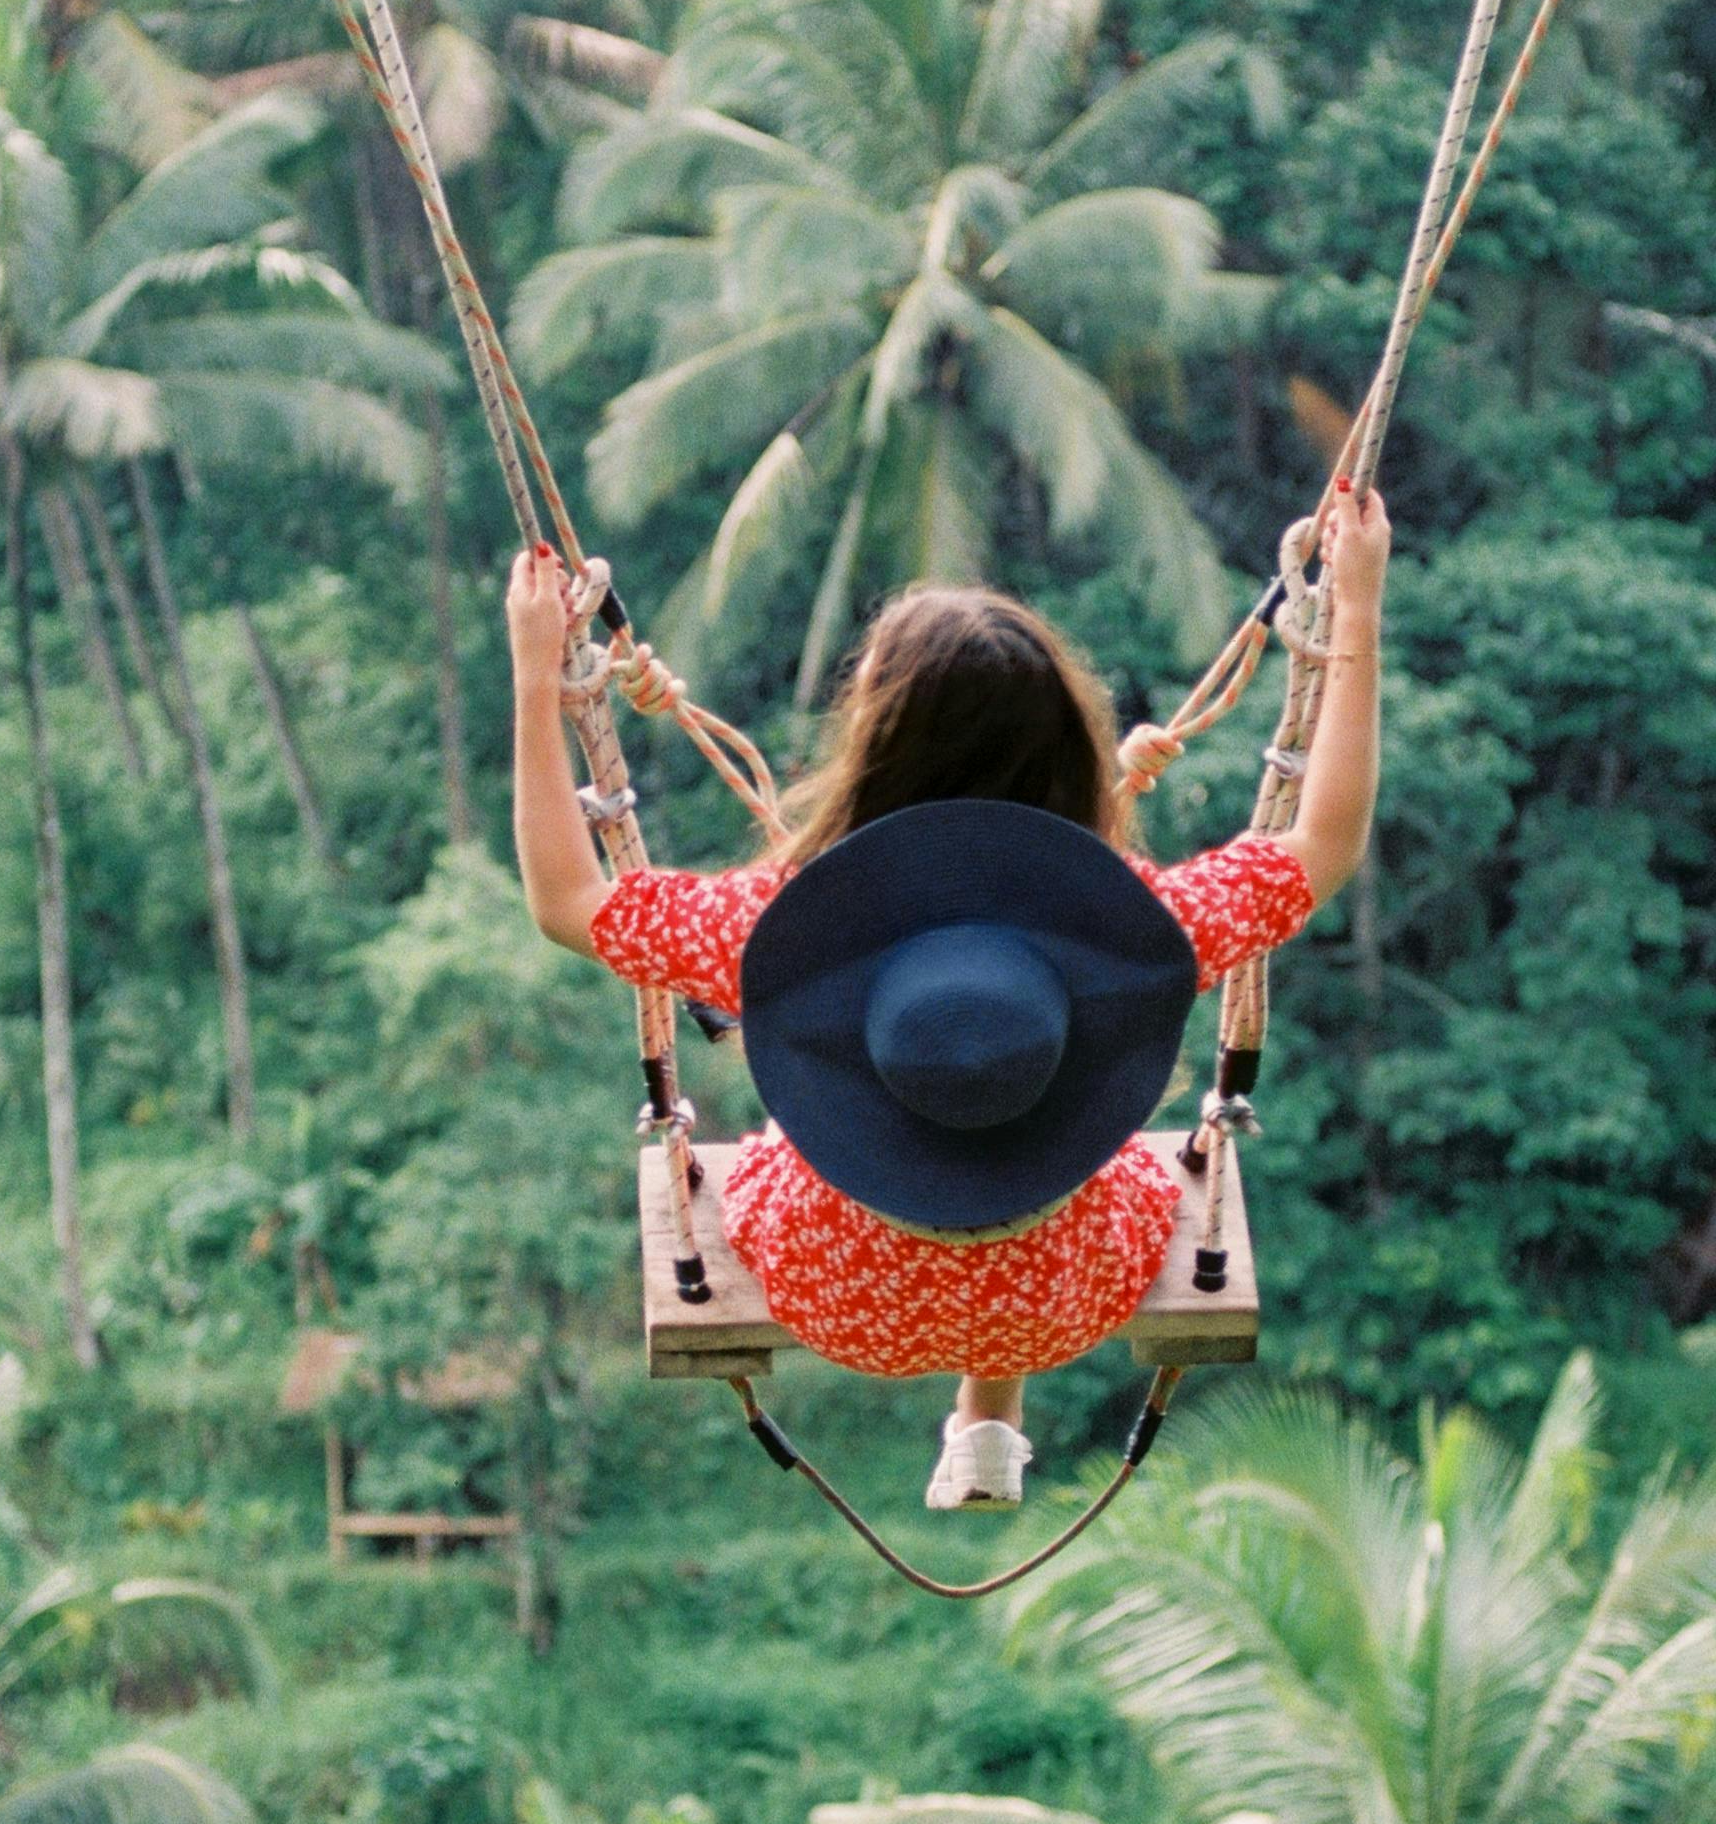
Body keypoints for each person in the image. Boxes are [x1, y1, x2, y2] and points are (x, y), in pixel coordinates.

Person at [508, 496, 1389, 1508]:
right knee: (1025, 1114)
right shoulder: (1136, 925)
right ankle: (991, 1409)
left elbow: (566, 900)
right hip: (1064, 1300)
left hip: (837, 1296)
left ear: (871, 738)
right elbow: (1323, 845)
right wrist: (1356, 611)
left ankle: (980, 1410)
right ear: (1070, 741)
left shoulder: (776, 925)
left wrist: (537, 675)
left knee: (825, 1141)